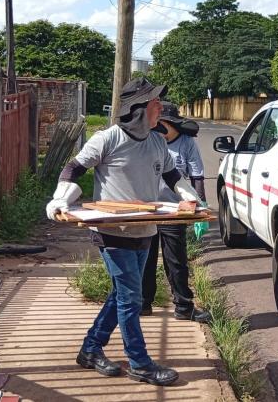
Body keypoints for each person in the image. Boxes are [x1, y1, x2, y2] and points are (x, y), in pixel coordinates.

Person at [45, 78, 203, 387]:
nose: (161, 108)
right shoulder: (107, 139)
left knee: (123, 294)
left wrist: (191, 199)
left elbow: (173, 176)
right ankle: (140, 363)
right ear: (140, 109)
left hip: (145, 229)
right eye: (156, 103)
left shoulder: (157, 141)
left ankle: (91, 349)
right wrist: (60, 198)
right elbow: (73, 169)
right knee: (132, 297)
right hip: (112, 231)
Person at [141, 102, 211, 323]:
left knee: (176, 261)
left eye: (161, 125)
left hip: (174, 211)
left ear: (170, 124)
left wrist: (200, 205)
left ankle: (183, 306)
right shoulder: (148, 141)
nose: (158, 129)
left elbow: (197, 175)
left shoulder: (187, 143)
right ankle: (143, 304)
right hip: (149, 209)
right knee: (145, 260)